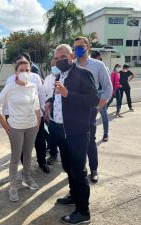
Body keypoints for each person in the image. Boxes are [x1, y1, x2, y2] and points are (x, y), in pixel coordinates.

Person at [45, 44, 99, 224]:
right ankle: (74, 196)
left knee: (78, 171)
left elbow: (93, 100)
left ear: (71, 57)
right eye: (56, 57)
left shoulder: (83, 74)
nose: (59, 59)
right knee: (68, 167)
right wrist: (49, 102)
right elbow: (58, 97)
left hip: (77, 132)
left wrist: (69, 94)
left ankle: (83, 212)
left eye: (62, 56)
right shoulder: (59, 75)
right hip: (60, 130)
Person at [0, 60, 40, 202]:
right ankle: (13, 186)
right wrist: (3, 122)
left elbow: (36, 104)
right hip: (16, 127)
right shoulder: (10, 87)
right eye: (21, 70)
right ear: (16, 72)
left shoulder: (33, 86)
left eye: (27, 70)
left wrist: (38, 122)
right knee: (15, 157)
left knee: (28, 154)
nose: (24, 72)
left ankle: (27, 177)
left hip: (32, 126)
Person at [74, 36, 112, 183]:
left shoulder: (98, 65)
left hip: (89, 109)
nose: (77, 49)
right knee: (77, 141)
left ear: (88, 47)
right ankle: (80, 170)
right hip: (73, 110)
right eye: (75, 46)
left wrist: (99, 106)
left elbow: (108, 88)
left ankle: (94, 169)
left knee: (90, 141)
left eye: (80, 46)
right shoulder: (72, 65)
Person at [5, 55, 49, 173]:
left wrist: (44, 111)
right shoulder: (10, 80)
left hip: (35, 116)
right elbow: (7, 101)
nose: (23, 68)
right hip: (18, 118)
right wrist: (7, 118)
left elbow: (42, 95)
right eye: (20, 65)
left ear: (29, 65)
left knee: (40, 140)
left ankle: (42, 162)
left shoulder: (36, 78)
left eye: (26, 65)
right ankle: (26, 167)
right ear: (16, 66)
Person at [90, 50, 111, 142]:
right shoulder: (89, 66)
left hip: (100, 94)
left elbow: (107, 85)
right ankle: (92, 135)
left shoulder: (103, 67)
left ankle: (105, 133)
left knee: (103, 115)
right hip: (92, 94)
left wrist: (104, 98)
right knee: (91, 116)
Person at [44, 57, 60, 165]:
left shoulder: (64, 77)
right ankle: (53, 154)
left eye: (56, 65)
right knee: (52, 134)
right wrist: (46, 111)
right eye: (52, 65)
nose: (54, 67)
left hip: (63, 111)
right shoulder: (48, 79)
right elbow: (46, 95)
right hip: (51, 110)